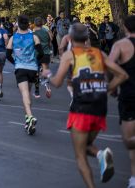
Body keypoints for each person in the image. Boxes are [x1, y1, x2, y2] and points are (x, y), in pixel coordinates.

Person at [43, 23, 128, 187]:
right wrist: (106, 88)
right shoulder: (99, 53)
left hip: (81, 108)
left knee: (80, 154)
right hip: (100, 107)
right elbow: (122, 75)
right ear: (87, 37)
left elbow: (58, 82)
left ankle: (97, 168)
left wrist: (48, 74)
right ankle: (101, 154)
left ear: (71, 38)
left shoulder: (70, 55)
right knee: (87, 145)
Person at [109, 15, 135, 188]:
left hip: (129, 96)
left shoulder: (121, 45)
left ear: (125, 27)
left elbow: (108, 65)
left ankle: (134, 178)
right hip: (129, 96)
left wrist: (111, 86)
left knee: (129, 140)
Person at [6, 15, 43, 135]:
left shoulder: (13, 38)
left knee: (25, 94)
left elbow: (8, 54)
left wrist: (16, 63)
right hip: (32, 68)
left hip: (20, 68)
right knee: (28, 94)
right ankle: (27, 121)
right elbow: (41, 53)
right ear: (28, 24)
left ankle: (30, 116)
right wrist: (35, 63)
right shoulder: (34, 37)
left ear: (17, 24)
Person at [33, 17, 53, 99]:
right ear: (42, 23)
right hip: (46, 53)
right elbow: (50, 40)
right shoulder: (46, 31)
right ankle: (47, 86)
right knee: (45, 70)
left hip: (37, 54)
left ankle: (37, 92)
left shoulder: (33, 33)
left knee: (36, 73)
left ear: (34, 23)